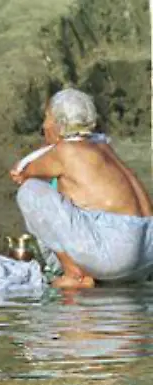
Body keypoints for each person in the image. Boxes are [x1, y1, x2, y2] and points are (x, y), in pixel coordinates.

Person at [11, 88, 153, 288]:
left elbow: (21, 172)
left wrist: (47, 149)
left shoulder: (65, 151)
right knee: (64, 189)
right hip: (147, 255)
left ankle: (74, 274)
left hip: (118, 255)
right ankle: (97, 276)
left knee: (30, 191)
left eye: (47, 118)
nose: (44, 126)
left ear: (59, 124)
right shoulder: (103, 145)